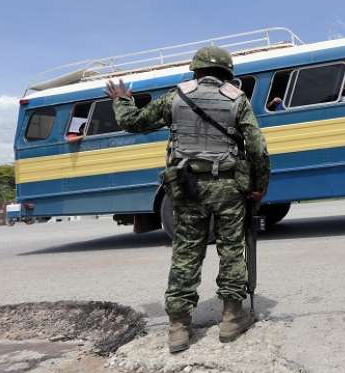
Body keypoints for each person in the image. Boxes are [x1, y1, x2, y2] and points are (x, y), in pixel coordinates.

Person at [106, 46, 271, 353]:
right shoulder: (238, 100)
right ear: (227, 72)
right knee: (232, 250)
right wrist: (259, 186)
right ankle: (232, 319)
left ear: (196, 71)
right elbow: (258, 148)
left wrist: (121, 99)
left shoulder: (176, 97)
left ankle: (179, 327)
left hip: (187, 187)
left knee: (186, 253)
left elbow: (133, 121)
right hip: (228, 187)